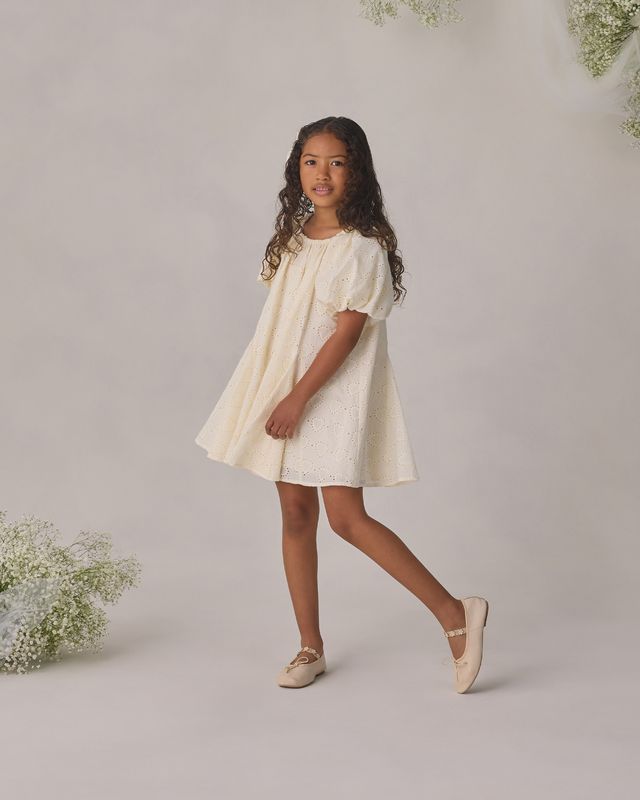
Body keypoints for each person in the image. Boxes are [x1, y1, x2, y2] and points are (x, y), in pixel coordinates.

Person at [195, 116, 489, 693]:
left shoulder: (363, 249)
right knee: (295, 515)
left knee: (347, 519)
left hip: (325, 394)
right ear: (296, 169)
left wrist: (299, 398)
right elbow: (281, 323)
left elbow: (344, 334)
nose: (322, 173)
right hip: (285, 390)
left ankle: (456, 613)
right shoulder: (291, 238)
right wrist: (276, 392)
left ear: (357, 171)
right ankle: (310, 646)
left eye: (336, 162)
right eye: (311, 161)